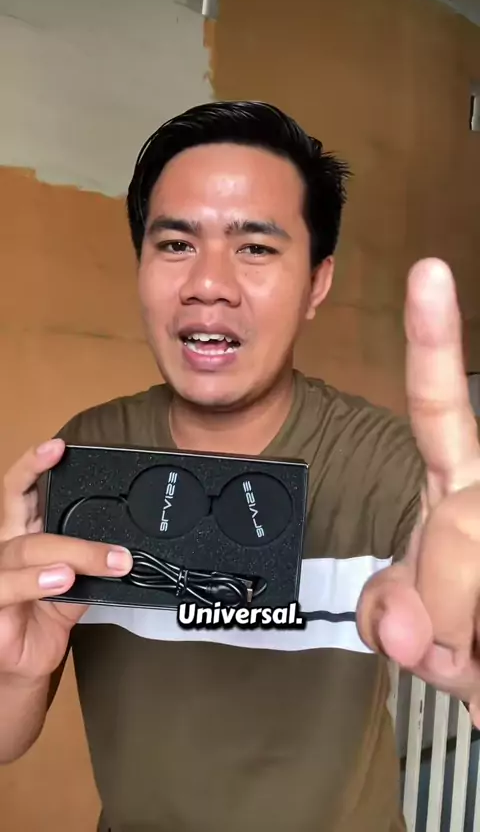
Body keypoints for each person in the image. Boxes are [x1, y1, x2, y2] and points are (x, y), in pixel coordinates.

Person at [0, 101, 479, 832]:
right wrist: (20, 670)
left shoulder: (387, 466)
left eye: (255, 247)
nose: (209, 284)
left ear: (317, 282)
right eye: (175, 244)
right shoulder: (88, 455)